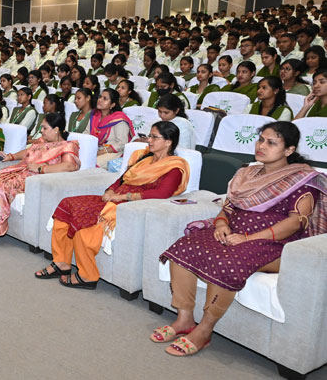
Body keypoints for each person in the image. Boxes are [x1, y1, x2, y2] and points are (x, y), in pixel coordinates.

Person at [155, 121, 326, 356]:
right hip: (235, 233)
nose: (261, 146)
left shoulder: (301, 180)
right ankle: (184, 318)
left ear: (289, 150)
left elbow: (296, 222)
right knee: (184, 247)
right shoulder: (247, 173)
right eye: (261, 140)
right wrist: (221, 224)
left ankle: (204, 330)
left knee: (227, 261)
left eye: (271, 143)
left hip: (275, 243)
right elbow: (228, 207)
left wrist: (249, 238)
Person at [35, 121, 190, 289]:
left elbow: (161, 194)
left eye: (154, 137)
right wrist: (110, 190)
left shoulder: (174, 168)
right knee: (67, 204)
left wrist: (123, 196)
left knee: (84, 231)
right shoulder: (144, 158)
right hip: (114, 197)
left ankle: (87, 276)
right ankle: (61, 262)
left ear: (168, 142)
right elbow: (122, 179)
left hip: (128, 204)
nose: (149, 140)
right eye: (149, 136)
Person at [0, 113, 80, 245]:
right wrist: (11, 156)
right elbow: (28, 152)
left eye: (44, 128)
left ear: (56, 129)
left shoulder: (67, 146)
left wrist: (41, 168)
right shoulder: (42, 141)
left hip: (35, 177)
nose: (41, 131)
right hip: (22, 170)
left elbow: (70, 166)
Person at [90, 88, 135, 169]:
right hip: (95, 149)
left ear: (112, 105)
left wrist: (102, 151)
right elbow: (87, 135)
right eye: (100, 97)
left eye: (105, 99)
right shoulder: (95, 115)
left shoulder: (119, 119)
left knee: (91, 163)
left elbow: (122, 143)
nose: (100, 100)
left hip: (113, 152)